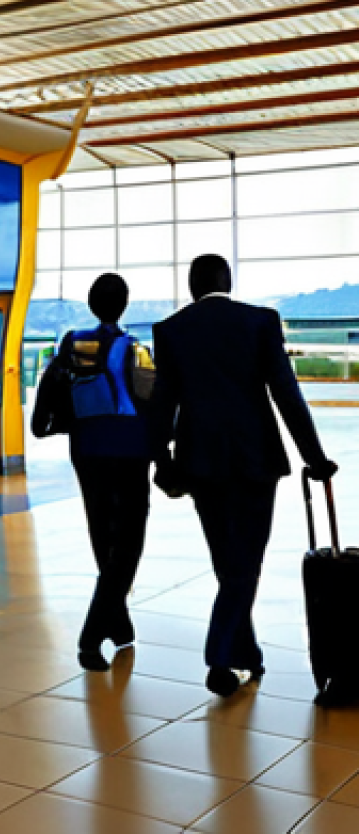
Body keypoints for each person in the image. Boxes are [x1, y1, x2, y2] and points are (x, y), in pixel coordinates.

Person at [151, 253, 337, 697]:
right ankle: (219, 657)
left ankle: (247, 655)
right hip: (256, 460)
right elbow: (286, 395)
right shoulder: (260, 322)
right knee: (245, 563)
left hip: (200, 462)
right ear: (227, 281)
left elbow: (162, 405)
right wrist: (315, 457)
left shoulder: (172, 330)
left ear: (192, 285)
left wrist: (162, 462)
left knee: (229, 563)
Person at [32, 273, 154, 672]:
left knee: (102, 532)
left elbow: (54, 385)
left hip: (86, 447)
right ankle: (90, 637)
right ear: (124, 304)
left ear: (91, 303)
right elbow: (151, 399)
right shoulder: (134, 348)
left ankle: (117, 622)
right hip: (129, 447)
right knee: (129, 543)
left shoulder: (72, 342)